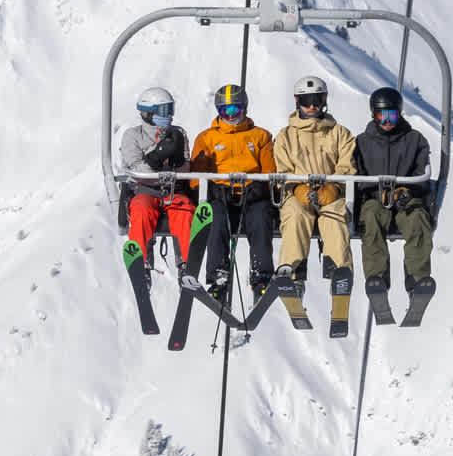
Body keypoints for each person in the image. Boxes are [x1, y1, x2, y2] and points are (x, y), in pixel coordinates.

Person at [187, 83, 277, 301]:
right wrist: (212, 189)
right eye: (224, 111)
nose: (230, 116)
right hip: (221, 195)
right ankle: (218, 277)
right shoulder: (207, 138)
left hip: (251, 196)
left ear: (244, 108)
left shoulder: (260, 136)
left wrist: (260, 187)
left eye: (234, 110)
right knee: (215, 218)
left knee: (261, 217)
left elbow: (270, 172)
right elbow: (195, 180)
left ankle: (261, 277)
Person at [274, 75, 356, 286]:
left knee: (335, 217)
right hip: (297, 194)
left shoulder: (339, 133)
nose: (311, 106)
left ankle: (340, 277)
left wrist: (334, 187)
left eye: (317, 100)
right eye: (306, 100)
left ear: (325, 100)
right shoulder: (286, 136)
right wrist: (297, 189)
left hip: (331, 194)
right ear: (297, 101)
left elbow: (347, 166)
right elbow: (281, 170)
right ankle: (292, 278)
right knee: (295, 216)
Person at [355, 86, 435, 296]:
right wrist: (373, 192)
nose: (387, 121)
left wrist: (407, 191)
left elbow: (421, 174)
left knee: (417, 218)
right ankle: (377, 279)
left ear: (399, 114)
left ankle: (417, 280)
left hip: (406, 200)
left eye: (392, 115)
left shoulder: (414, 140)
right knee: (370, 218)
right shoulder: (363, 142)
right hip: (375, 200)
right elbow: (358, 177)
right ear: (374, 115)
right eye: (382, 116)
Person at [120, 86, 194, 265]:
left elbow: (186, 168)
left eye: (170, 109)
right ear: (147, 113)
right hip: (145, 190)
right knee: (141, 210)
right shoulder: (133, 136)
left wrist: (177, 163)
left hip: (173, 191)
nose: (169, 115)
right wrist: (156, 156)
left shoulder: (178, 133)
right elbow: (134, 167)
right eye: (163, 111)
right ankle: (142, 263)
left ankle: (186, 265)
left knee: (185, 210)